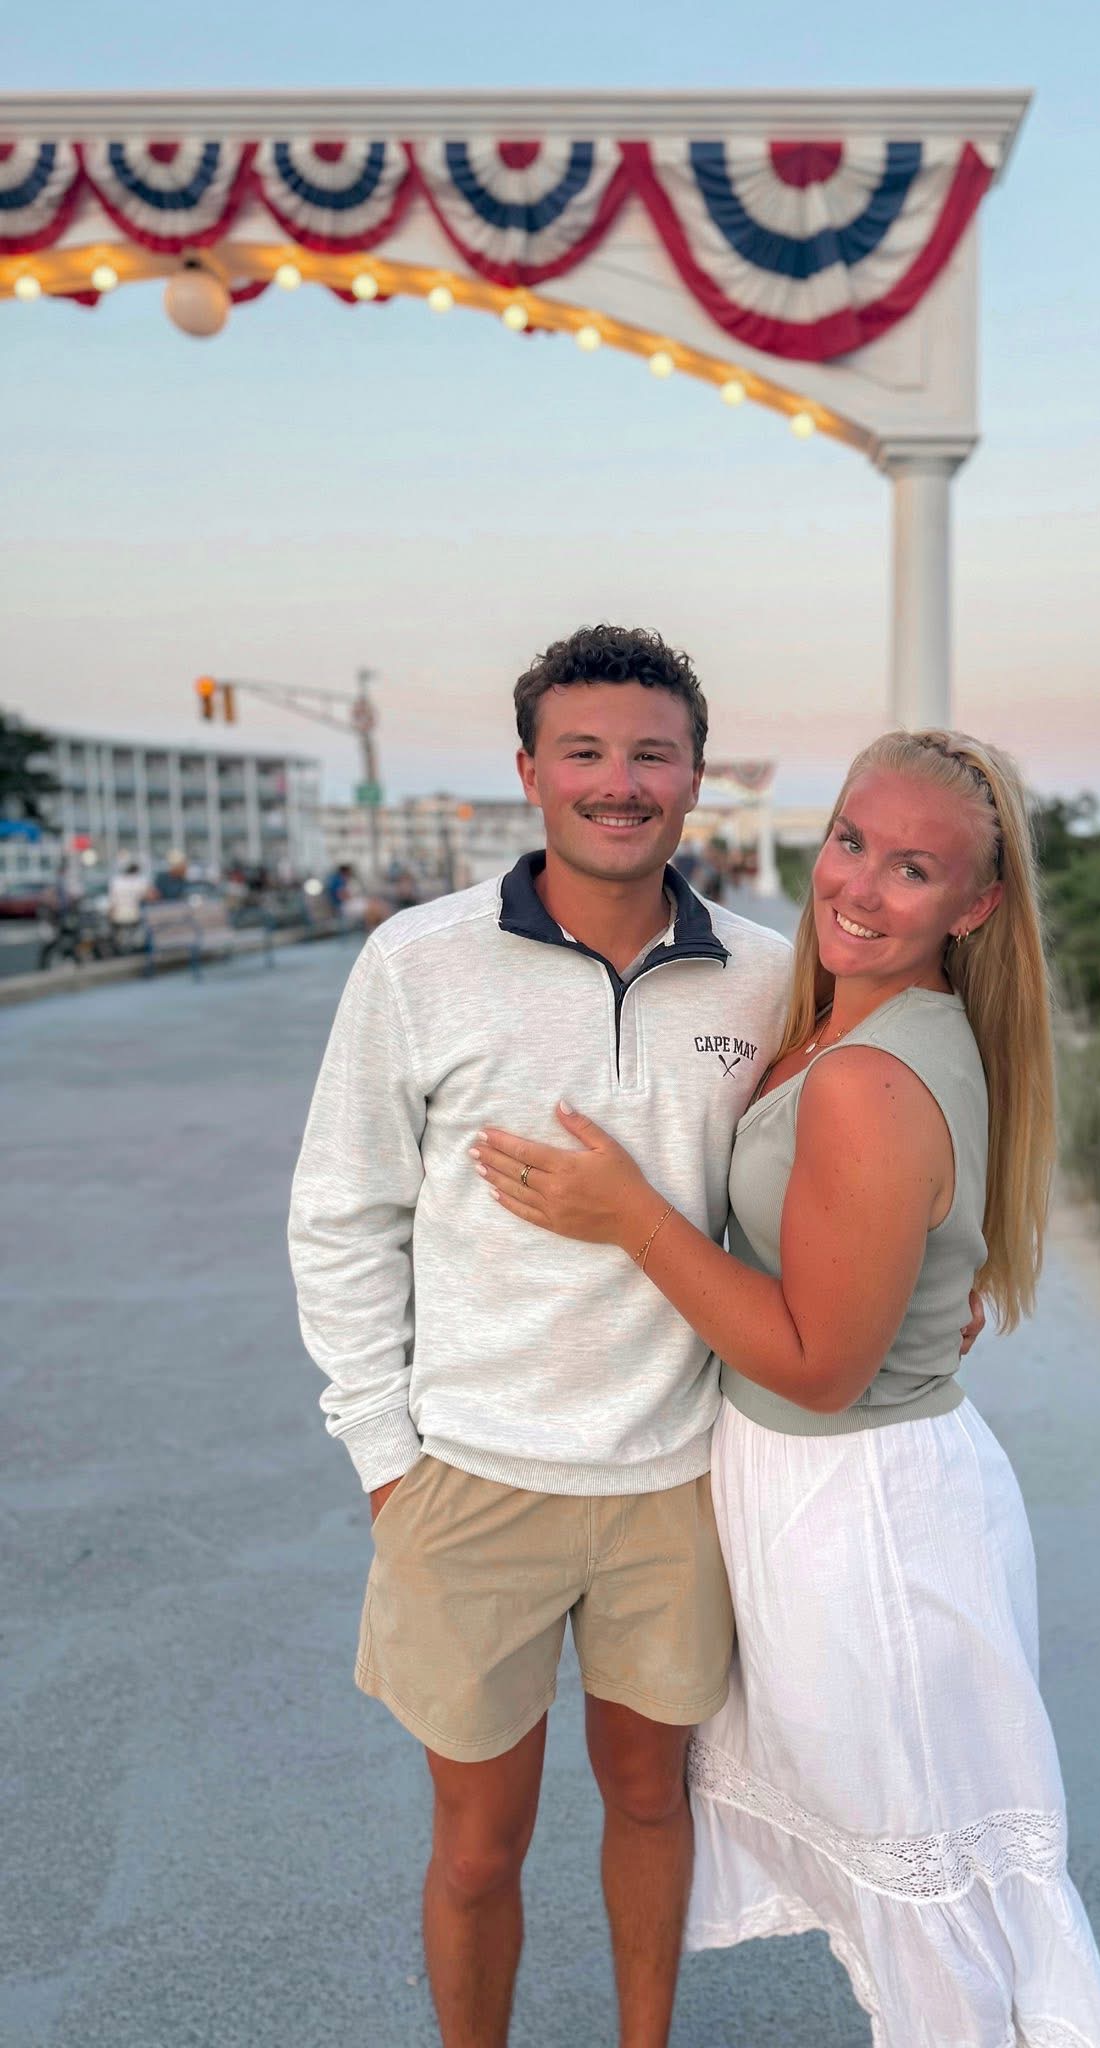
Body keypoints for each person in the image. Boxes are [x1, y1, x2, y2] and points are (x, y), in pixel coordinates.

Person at [474, 729, 1100, 2047]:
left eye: (913, 870)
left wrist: (628, 1215)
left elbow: (823, 1368)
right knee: (918, 1890)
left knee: (927, 1907)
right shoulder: (843, 1019)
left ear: (975, 906)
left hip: (863, 1518)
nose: (859, 886)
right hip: (828, 1500)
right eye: (849, 841)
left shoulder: (868, 1077)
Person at [288, 626, 801, 2048]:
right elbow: (342, 1213)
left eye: (650, 754)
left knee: (652, 1799)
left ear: (694, 775)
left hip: (675, 1479)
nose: (617, 781)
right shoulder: (418, 961)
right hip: (471, 1478)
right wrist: (386, 1458)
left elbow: (815, 1183)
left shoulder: (767, 977)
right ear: (530, 771)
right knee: (476, 1850)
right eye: (584, 751)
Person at [106, 859, 150, 933]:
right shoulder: (140, 881)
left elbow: (112, 902)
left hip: (118, 916)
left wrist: (110, 915)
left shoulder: (117, 881)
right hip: (135, 916)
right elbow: (149, 896)